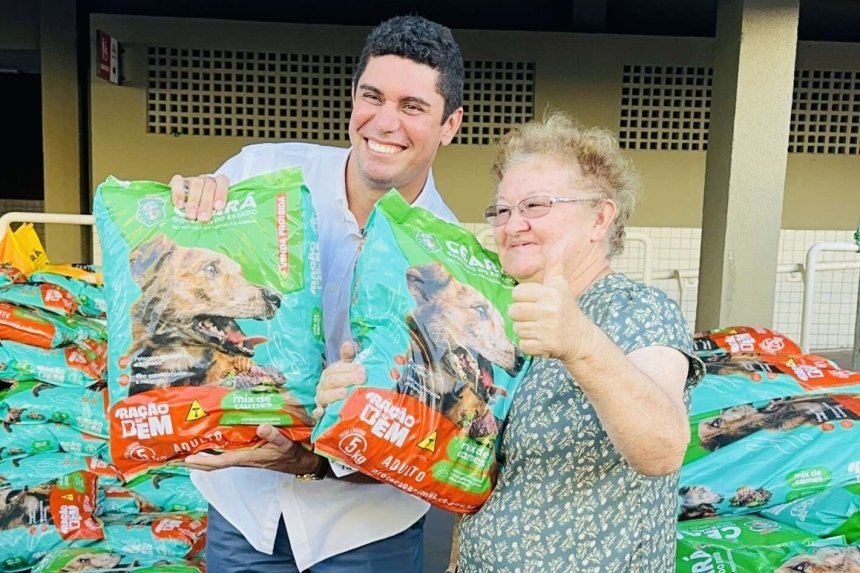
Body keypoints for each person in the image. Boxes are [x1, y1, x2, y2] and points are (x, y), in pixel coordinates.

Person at [317, 111, 704, 572]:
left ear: (600, 218)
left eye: (536, 206)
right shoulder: (502, 313)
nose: (513, 224)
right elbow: (464, 465)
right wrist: (360, 398)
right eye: (502, 210)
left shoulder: (636, 310)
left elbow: (663, 449)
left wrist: (580, 343)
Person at [170, 15, 464, 573]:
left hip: (366, 529)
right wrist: (189, 210)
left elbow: (429, 427)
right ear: (353, 96)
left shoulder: (448, 263)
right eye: (372, 96)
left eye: (412, 106)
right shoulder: (263, 172)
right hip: (245, 510)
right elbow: (188, 287)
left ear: (450, 124)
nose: (385, 122)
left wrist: (313, 458)